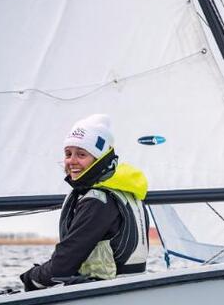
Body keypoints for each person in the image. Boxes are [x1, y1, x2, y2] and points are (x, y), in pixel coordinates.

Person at [20, 114, 149, 290]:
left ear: (99, 160)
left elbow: (61, 267)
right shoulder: (124, 190)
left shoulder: (98, 201)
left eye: (81, 154)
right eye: (68, 154)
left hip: (106, 293)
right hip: (132, 287)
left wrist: (31, 277)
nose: (72, 161)